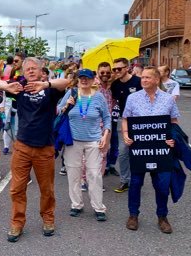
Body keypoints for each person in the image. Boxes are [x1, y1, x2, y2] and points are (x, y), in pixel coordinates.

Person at [0, 57, 68, 242]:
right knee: (16, 189)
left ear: (42, 71)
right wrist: (7, 87)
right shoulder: (19, 88)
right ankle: (17, 223)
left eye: (35, 69)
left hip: (45, 148)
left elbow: (67, 81)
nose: (31, 71)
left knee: (47, 189)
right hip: (23, 146)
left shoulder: (50, 90)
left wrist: (45, 85)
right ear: (23, 72)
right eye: (28, 69)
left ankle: (48, 219)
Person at [122, 66, 180, 233]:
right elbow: (126, 118)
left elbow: (174, 121)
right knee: (136, 183)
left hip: (162, 149)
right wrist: (126, 134)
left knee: (162, 184)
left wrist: (173, 139)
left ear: (157, 80)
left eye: (148, 77)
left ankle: (162, 216)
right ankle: (133, 215)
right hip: (139, 148)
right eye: (143, 77)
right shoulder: (133, 98)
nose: (144, 80)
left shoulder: (168, 99)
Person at [58, 69, 111, 221]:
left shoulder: (99, 97)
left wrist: (105, 135)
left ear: (94, 80)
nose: (84, 80)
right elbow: (57, 111)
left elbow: (107, 117)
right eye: (81, 78)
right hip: (72, 140)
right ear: (77, 79)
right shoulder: (71, 93)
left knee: (94, 174)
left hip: (93, 140)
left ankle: (98, 207)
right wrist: (65, 106)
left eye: (87, 78)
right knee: (73, 174)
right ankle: (76, 204)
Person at [110, 57, 142, 193]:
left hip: (141, 121)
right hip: (124, 121)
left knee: (140, 152)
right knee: (123, 153)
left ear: (127, 68)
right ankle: (125, 181)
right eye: (114, 69)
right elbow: (114, 101)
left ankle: (138, 179)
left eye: (119, 68)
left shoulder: (138, 82)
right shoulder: (115, 84)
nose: (116, 71)